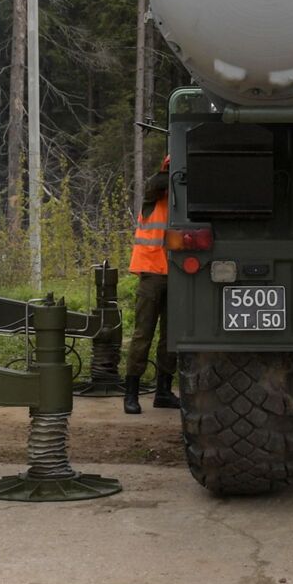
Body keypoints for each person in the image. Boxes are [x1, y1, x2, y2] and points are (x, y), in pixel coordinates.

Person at [123, 156, 178, 415]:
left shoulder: (184, 199)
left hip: (178, 276)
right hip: (152, 273)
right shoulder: (153, 194)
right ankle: (130, 394)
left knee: (171, 337)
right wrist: (175, 168)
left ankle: (163, 392)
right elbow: (156, 182)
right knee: (143, 334)